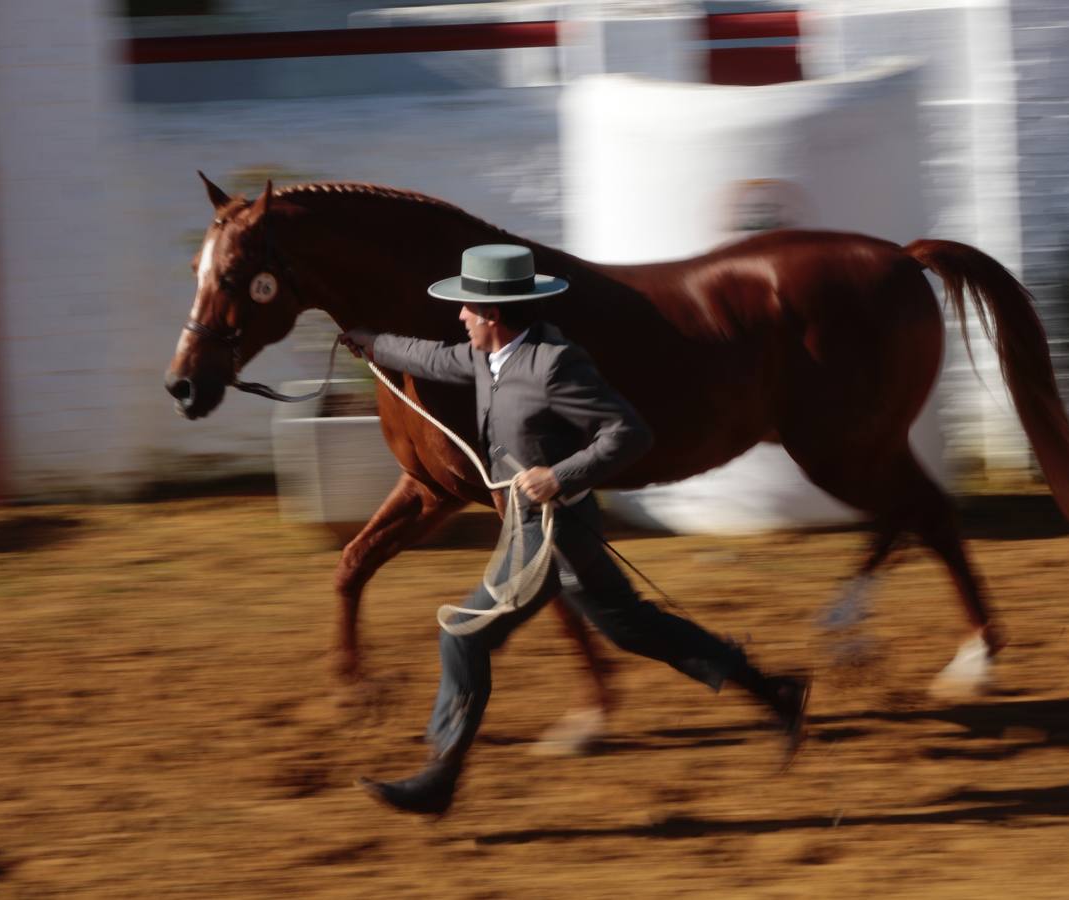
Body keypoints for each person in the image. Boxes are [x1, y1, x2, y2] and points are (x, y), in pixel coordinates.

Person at [339, 244, 809, 817]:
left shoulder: (553, 363)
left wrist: (557, 475)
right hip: (554, 527)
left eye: (466, 308)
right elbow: (433, 358)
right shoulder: (487, 357)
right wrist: (371, 342)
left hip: (551, 528)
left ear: (491, 314)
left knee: (463, 635)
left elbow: (628, 434)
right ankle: (774, 692)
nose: (459, 316)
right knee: (634, 627)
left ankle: (441, 776)